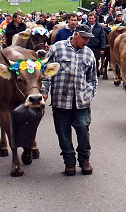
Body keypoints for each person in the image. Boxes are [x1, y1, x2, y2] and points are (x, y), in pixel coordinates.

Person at [43, 24, 98, 176]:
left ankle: (84, 160)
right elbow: (45, 72)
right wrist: (44, 92)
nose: (87, 41)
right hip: (61, 99)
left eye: (89, 38)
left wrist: (90, 93)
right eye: (84, 38)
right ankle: (69, 162)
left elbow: (93, 78)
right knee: (63, 133)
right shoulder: (57, 48)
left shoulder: (89, 53)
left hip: (81, 101)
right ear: (75, 35)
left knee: (83, 129)